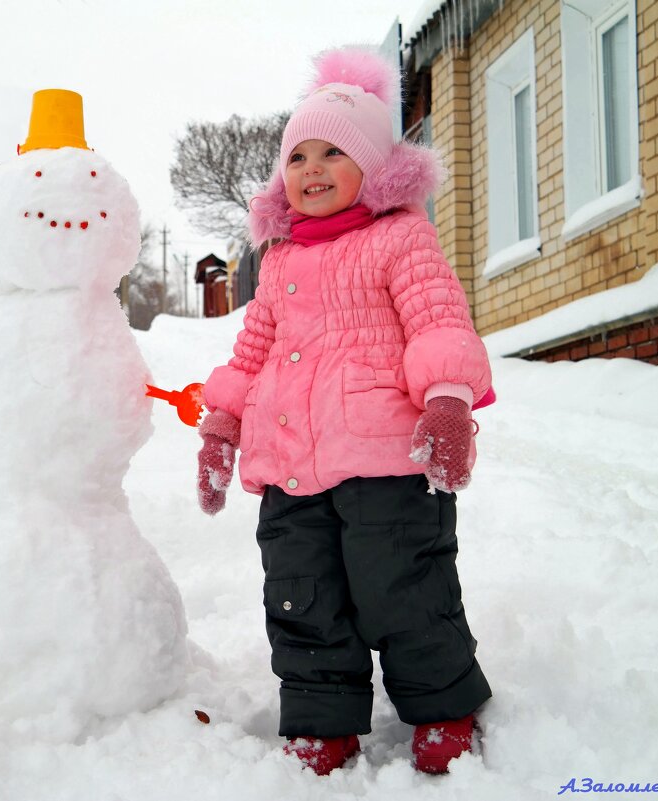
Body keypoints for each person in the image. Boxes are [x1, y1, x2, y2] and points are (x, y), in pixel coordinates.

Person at [195, 47, 495, 777]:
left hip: (387, 463)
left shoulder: (400, 239)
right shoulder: (280, 259)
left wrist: (449, 401)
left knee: (403, 587)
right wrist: (223, 423)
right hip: (293, 468)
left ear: (373, 166)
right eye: (298, 155)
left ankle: (442, 704)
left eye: (335, 151)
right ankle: (322, 720)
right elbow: (253, 347)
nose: (313, 168)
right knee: (303, 596)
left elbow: (438, 322)